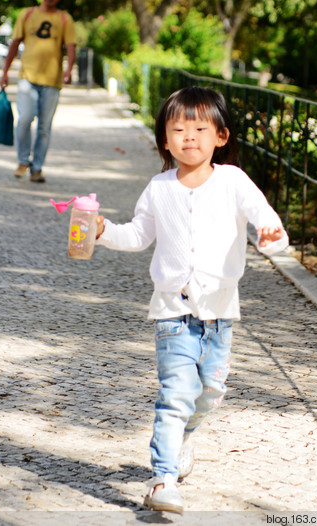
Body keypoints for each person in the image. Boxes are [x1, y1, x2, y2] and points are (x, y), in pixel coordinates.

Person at [94, 86, 288, 515]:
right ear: (164, 139)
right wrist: (103, 230)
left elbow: (263, 216)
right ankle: (162, 478)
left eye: (200, 128)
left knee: (211, 392)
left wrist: (272, 234)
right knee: (176, 393)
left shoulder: (233, 180)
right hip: (173, 314)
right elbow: (137, 236)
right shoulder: (159, 187)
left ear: (220, 136)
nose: (189, 137)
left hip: (220, 314)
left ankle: (182, 437)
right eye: (178, 129)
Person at [0, 0, 77, 183]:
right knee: (24, 119)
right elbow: (15, 43)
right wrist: (5, 71)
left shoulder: (64, 19)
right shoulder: (27, 14)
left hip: (52, 80)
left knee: (44, 127)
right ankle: (23, 160)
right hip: (27, 77)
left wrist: (69, 69)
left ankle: (37, 168)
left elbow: (70, 45)